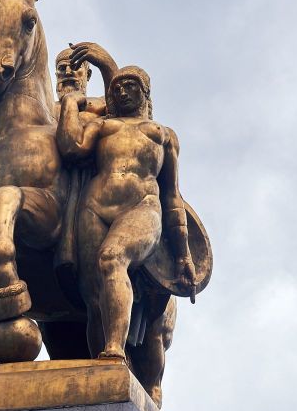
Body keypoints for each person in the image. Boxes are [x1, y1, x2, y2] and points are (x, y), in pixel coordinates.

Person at [0, 43, 118, 330]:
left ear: (87, 75)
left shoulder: (97, 105)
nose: (68, 73)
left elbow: (127, 110)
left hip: (81, 173)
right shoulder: (47, 110)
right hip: (50, 175)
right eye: (61, 69)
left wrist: (106, 64)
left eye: (76, 68)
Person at [56, 64, 196, 360]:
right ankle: (101, 371)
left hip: (142, 207)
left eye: (130, 85)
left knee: (112, 256)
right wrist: (70, 104)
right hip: (94, 207)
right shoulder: (104, 126)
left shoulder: (163, 135)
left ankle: (115, 351)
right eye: (117, 87)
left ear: (145, 91)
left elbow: (172, 196)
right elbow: (71, 148)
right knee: (94, 297)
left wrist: (183, 254)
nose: (121, 90)